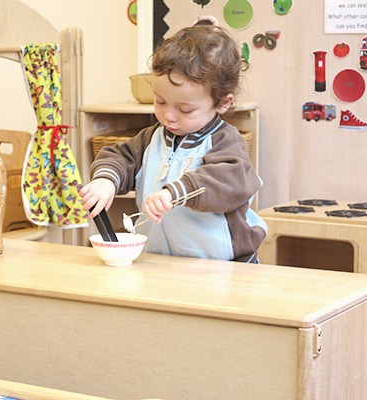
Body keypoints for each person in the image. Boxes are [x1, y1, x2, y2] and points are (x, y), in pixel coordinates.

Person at [79, 26, 267, 263]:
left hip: (222, 266)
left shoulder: (226, 141)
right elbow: (119, 157)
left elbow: (228, 181)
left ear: (222, 103)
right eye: (160, 101)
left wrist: (176, 193)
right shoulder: (151, 139)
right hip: (160, 262)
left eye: (185, 109)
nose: (168, 115)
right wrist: (105, 181)